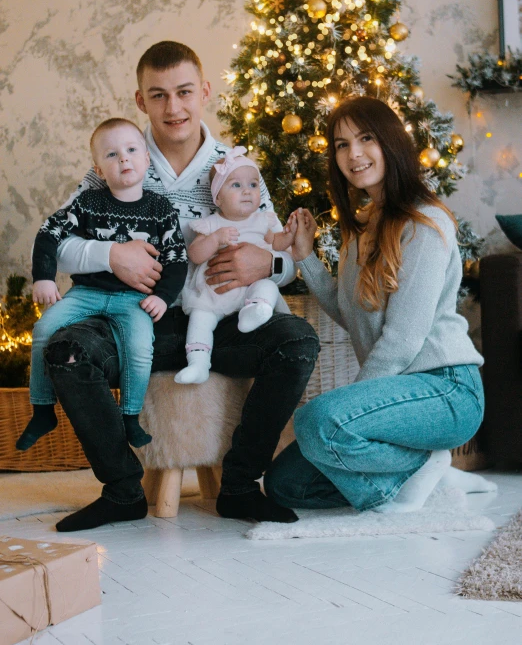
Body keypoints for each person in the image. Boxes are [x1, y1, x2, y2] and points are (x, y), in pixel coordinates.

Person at [43, 41, 319, 532]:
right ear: (140, 100)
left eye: (185, 92)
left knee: (297, 340)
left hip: (219, 321)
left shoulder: (235, 166)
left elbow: (285, 258)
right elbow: (59, 242)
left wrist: (269, 262)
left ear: (205, 92)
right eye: (159, 95)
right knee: (67, 350)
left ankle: (238, 487)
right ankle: (123, 490)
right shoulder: (118, 155)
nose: (174, 108)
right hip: (135, 318)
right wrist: (111, 254)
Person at [264, 96, 490, 514]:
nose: (353, 153)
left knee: (317, 421)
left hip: (445, 389)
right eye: (341, 144)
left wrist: (348, 408)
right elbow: (349, 312)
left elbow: (403, 339)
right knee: (284, 486)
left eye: (365, 138)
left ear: (390, 142)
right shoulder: (363, 226)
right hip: (396, 391)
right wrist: (305, 257)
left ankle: (420, 469)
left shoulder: (425, 223)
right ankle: (424, 475)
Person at [18, 118, 187, 452]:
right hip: (86, 293)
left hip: (133, 299)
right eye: (111, 154)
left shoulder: (160, 209)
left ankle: (130, 417)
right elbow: (49, 233)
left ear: (146, 158)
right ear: (98, 167)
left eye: (131, 150)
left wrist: (164, 297)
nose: (123, 159)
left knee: (140, 348)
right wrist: (43, 277)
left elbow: (177, 257)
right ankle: (41, 409)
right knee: (44, 328)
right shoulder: (88, 203)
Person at [175, 146, 296, 385]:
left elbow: (278, 246)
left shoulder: (263, 221)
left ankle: (257, 311)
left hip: (250, 290)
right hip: (214, 293)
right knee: (200, 319)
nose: (247, 192)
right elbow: (195, 254)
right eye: (236, 185)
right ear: (217, 197)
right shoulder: (211, 224)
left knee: (267, 285)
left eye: (253, 185)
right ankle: (198, 362)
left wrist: (289, 235)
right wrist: (216, 239)